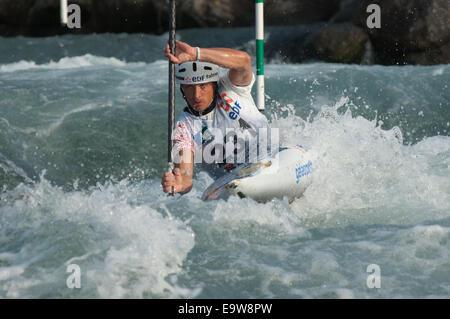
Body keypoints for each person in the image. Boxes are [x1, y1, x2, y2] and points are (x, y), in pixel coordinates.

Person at [161, 40, 269, 194]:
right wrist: (180, 183)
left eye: (202, 86)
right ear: (182, 89)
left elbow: (244, 61)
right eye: (189, 87)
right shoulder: (183, 127)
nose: (196, 95)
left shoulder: (231, 89)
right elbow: (185, 176)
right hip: (232, 181)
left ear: (214, 84)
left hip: (269, 158)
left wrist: (196, 54)